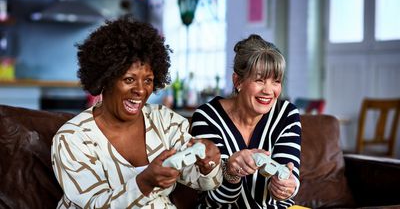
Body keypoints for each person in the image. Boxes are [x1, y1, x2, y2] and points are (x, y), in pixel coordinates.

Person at [51, 16, 222, 208]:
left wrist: (208, 165)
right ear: (105, 79)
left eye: (148, 80)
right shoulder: (73, 138)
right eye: (129, 79)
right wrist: (144, 182)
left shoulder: (166, 122)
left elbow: (203, 182)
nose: (141, 90)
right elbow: (94, 204)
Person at [191, 34, 301, 208]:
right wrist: (230, 172)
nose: (268, 90)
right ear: (238, 81)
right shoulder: (207, 117)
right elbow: (214, 199)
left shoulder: (286, 114)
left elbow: (288, 182)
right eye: (259, 80)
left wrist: (287, 187)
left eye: (276, 81)